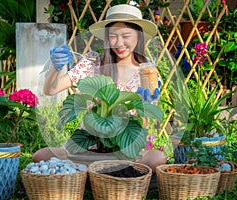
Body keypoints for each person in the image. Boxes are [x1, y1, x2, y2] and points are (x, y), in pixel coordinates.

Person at [33, 4, 168, 170]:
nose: (119, 43)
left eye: (126, 35)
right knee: (41, 156)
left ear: (138, 37)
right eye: (113, 36)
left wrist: (144, 106)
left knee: (156, 158)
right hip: (89, 143)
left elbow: (142, 126)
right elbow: (51, 90)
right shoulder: (92, 62)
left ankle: (95, 170)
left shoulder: (147, 72)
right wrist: (55, 67)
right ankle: (103, 170)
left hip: (121, 147)